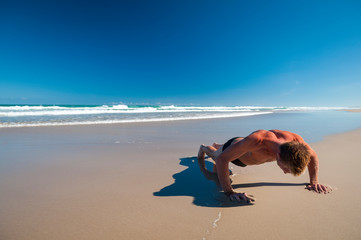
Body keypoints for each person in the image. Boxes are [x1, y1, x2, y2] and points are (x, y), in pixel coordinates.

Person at [197, 129, 331, 203]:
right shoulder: (259, 140)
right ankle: (205, 148)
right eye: (286, 169)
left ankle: (218, 145)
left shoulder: (297, 142)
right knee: (216, 155)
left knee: (232, 150)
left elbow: (313, 156)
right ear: (278, 156)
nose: (285, 173)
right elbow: (222, 160)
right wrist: (229, 192)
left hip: (244, 149)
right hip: (237, 154)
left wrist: (314, 182)